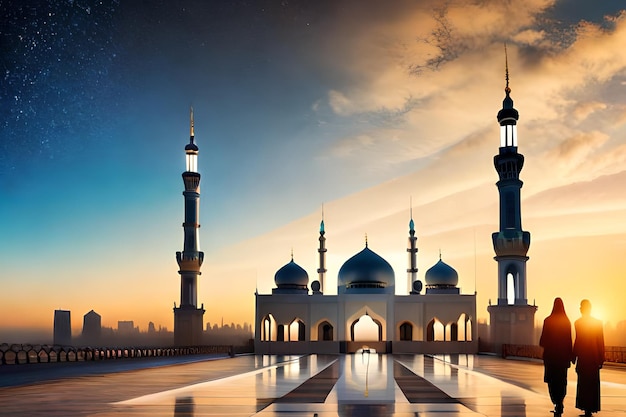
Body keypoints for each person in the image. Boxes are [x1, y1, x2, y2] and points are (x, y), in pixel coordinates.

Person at [539, 297, 573, 416]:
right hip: (562, 358)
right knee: (562, 380)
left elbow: (542, 341)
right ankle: (560, 401)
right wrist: (571, 355)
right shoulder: (566, 322)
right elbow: (569, 341)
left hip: (551, 358)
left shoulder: (548, 321)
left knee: (552, 381)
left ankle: (555, 401)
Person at [572, 299, 605, 417]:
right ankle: (591, 407)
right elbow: (600, 342)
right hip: (594, 358)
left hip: (583, 358)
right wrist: (601, 358)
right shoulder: (597, 323)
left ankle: (585, 406)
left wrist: (573, 356)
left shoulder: (578, 323)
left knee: (583, 383)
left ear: (582, 309)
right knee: (592, 383)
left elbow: (578, 340)